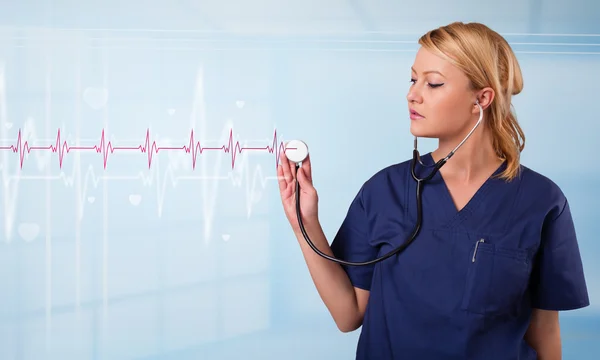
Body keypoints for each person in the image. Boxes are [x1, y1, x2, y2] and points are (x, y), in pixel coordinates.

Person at [277, 21, 590, 360]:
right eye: (413, 79)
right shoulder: (384, 191)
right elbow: (348, 314)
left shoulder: (542, 201)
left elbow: (544, 331)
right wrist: (304, 222)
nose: (413, 94)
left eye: (434, 83)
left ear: (481, 99)